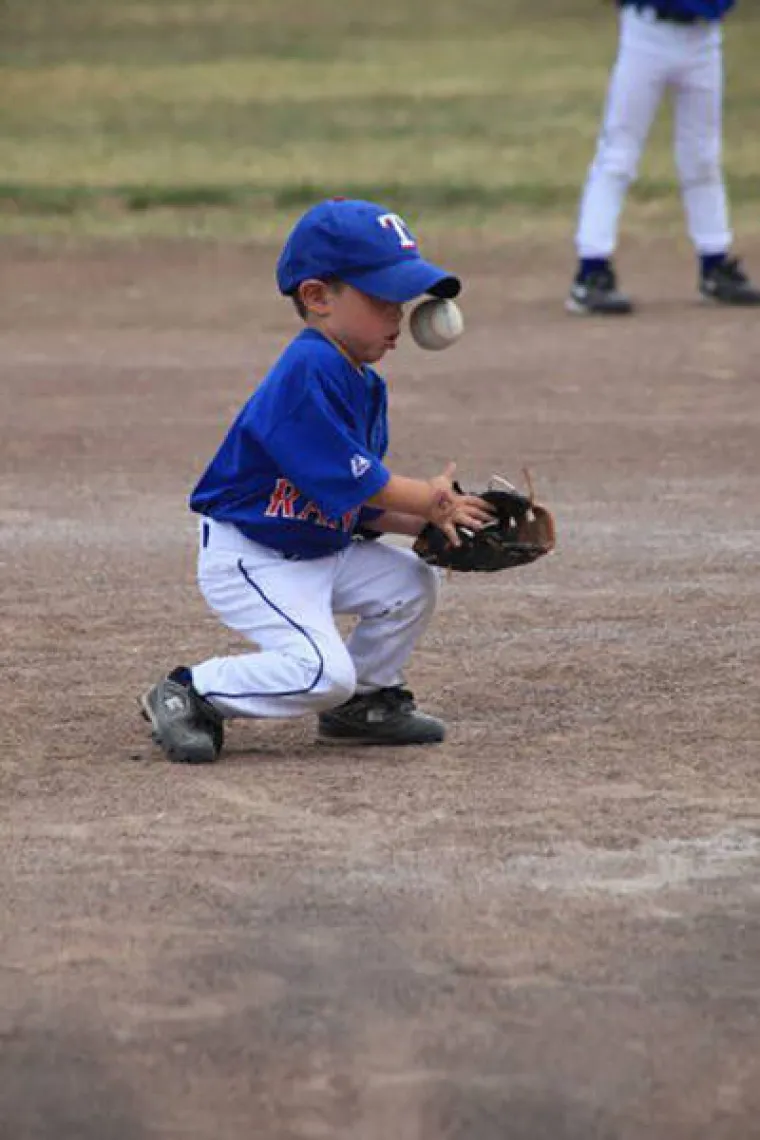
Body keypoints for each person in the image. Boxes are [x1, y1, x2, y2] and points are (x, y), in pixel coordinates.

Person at [139, 198, 492, 764]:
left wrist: (443, 519)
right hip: (256, 556)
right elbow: (362, 479)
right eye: (381, 300)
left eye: (401, 301)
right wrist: (429, 500)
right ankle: (190, 690)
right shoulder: (307, 371)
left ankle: (364, 704)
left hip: (316, 546)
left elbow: (356, 502)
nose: (397, 317)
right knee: (323, 672)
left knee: (411, 584)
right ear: (318, 297)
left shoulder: (363, 383)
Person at [567, 0, 760, 315]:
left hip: (705, 37)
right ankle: (591, 271)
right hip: (648, 33)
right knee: (618, 155)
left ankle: (715, 262)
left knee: (703, 158)